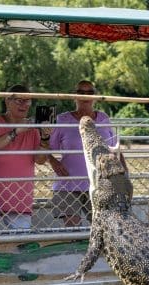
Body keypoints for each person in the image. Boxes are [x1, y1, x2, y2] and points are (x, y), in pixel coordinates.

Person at [46, 80, 115, 227]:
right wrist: (53, 162)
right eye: (81, 93)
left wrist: (123, 173)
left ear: (95, 96)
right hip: (68, 183)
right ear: (74, 96)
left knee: (101, 228)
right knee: (72, 230)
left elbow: (114, 148)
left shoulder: (103, 118)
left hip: (98, 183)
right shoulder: (61, 120)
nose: (85, 96)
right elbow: (45, 146)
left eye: (90, 93)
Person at [0, 84, 47, 230]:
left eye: (28, 101)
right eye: (19, 101)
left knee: (20, 245)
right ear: (7, 101)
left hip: (20, 202)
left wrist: (45, 138)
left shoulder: (33, 129)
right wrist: (16, 131)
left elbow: (40, 160)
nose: (24, 105)